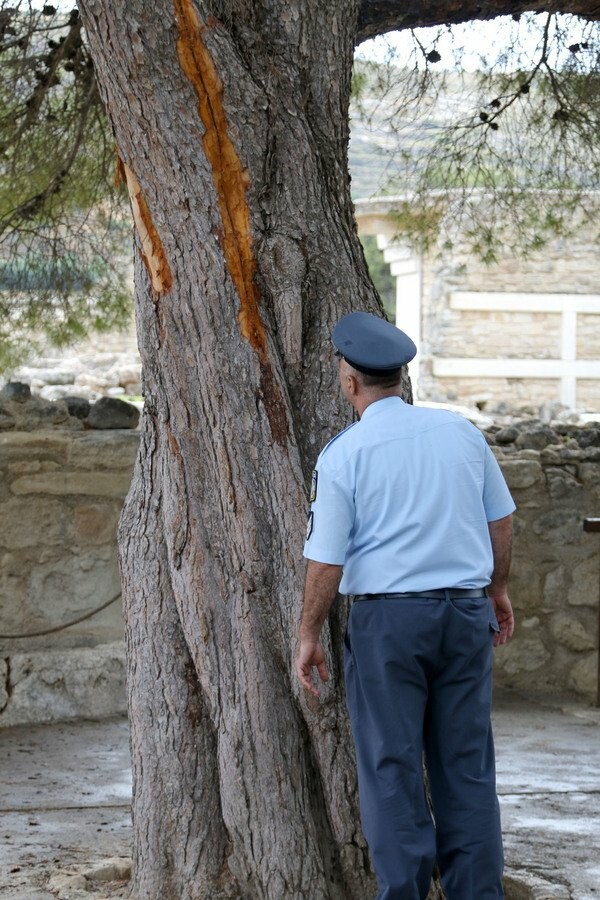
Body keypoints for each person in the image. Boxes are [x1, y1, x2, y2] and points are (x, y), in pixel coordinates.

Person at [295, 311, 515, 900]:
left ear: (349, 381)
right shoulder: (461, 433)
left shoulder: (345, 453)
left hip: (389, 624)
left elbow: (327, 559)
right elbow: (502, 517)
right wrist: (496, 589)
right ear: (400, 377)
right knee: (466, 766)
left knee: (391, 768)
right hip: (466, 614)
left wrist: (308, 631)